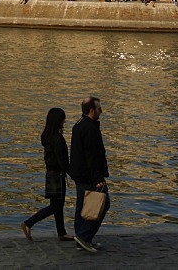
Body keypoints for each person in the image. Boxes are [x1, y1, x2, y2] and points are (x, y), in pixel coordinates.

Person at [21, 108, 74, 242]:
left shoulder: (48, 137)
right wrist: (73, 173)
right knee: (55, 206)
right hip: (57, 175)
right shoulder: (58, 139)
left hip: (51, 174)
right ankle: (28, 223)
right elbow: (62, 160)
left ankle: (61, 232)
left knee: (57, 204)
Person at [69, 96, 109, 253]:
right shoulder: (90, 129)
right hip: (89, 175)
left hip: (79, 173)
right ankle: (84, 237)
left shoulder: (78, 125)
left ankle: (82, 239)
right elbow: (92, 156)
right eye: (99, 109)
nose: (101, 112)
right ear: (92, 110)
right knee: (102, 204)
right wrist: (98, 178)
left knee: (82, 207)